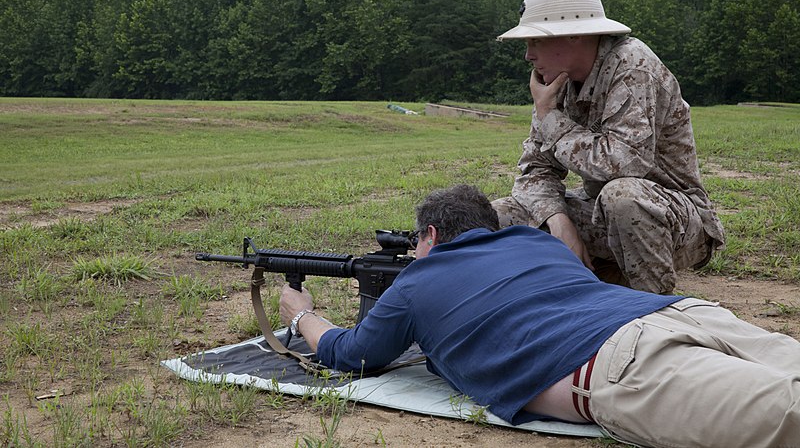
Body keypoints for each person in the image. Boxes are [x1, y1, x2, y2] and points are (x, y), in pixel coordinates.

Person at [280, 185, 800, 448]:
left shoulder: (417, 282)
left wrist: (304, 315)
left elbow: (351, 355)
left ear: (431, 237)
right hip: (686, 315)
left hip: (625, 362)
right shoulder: (535, 241)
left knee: (789, 418)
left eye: (416, 241)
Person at [492, 0, 725, 294]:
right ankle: (567, 295)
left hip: (676, 221)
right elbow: (534, 172)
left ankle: (650, 310)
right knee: (498, 215)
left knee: (622, 197)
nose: (528, 55)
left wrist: (551, 119)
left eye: (536, 40)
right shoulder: (555, 84)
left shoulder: (633, 67)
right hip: (604, 214)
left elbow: (624, 163)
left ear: (574, 34)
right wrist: (558, 221)